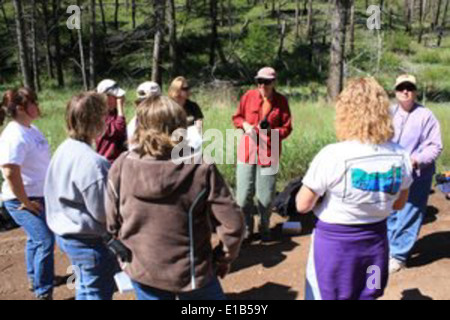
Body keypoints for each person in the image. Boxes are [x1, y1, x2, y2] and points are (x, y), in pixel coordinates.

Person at [105, 96, 245, 300]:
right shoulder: (200, 167)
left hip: (143, 269)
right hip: (193, 273)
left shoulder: (121, 166)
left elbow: (110, 223)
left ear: (140, 127)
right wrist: (223, 258)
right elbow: (233, 224)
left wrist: (124, 255)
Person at [296, 78, 413, 300]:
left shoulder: (333, 154)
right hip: (377, 245)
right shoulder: (401, 155)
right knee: (370, 293)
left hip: (335, 248)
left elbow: (302, 205)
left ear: (344, 112)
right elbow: (398, 203)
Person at [45, 92, 118, 300]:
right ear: (96, 120)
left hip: (67, 236)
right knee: (96, 292)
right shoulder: (93, 162)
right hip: (88, 242)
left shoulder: (63, 149)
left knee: (85, 288)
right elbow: (104, 213)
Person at [0, 88, 54, 300]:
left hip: (37, 196)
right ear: (22, 108)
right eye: (34, 102)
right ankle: (43, 292)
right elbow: (10, 172)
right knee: (44, 241)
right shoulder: (14, 135)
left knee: (36, 239)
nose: (38, 107)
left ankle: (34, 278)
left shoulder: (31, 128)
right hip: (21, 199)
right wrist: (26, 202)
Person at [387, 75, 443, 273]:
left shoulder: (426, 115)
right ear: (395, 91)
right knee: (390, 211)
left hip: (418, 174)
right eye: (401, 87)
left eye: (409, 87)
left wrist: (415, 160)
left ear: (415, 91)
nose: (405, 91)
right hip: (391, 173)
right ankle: (388, 248)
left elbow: (436, 147)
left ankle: (398, 255)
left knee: (410, 212)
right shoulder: (388, 113)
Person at [232, 67, 292, 242]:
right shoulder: (248, 96)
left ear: (273, 82)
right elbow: (236, 118)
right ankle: (247, 230)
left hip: (269, 151)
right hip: (247, 151)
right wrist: (245, 126)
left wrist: (272, 132)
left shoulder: (281, 101)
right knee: (242, 197)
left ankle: (265, 228)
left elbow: (287, 128)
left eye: (266, 82)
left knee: (265, 198)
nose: (262, 85)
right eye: (259, 81)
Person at [96, 79, 128, 163]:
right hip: (107, 161)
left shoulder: (114, 112)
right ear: (105, 97)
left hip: (118, 160)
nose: (119, 99)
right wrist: (120, 107)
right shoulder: (99, 116)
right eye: (116, 97)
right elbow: (119, 129)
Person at [127, 81, 161, 147]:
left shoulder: (166, 120)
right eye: (139, 102)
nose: (142, 106)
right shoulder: (133, 124)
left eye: (146, 102)